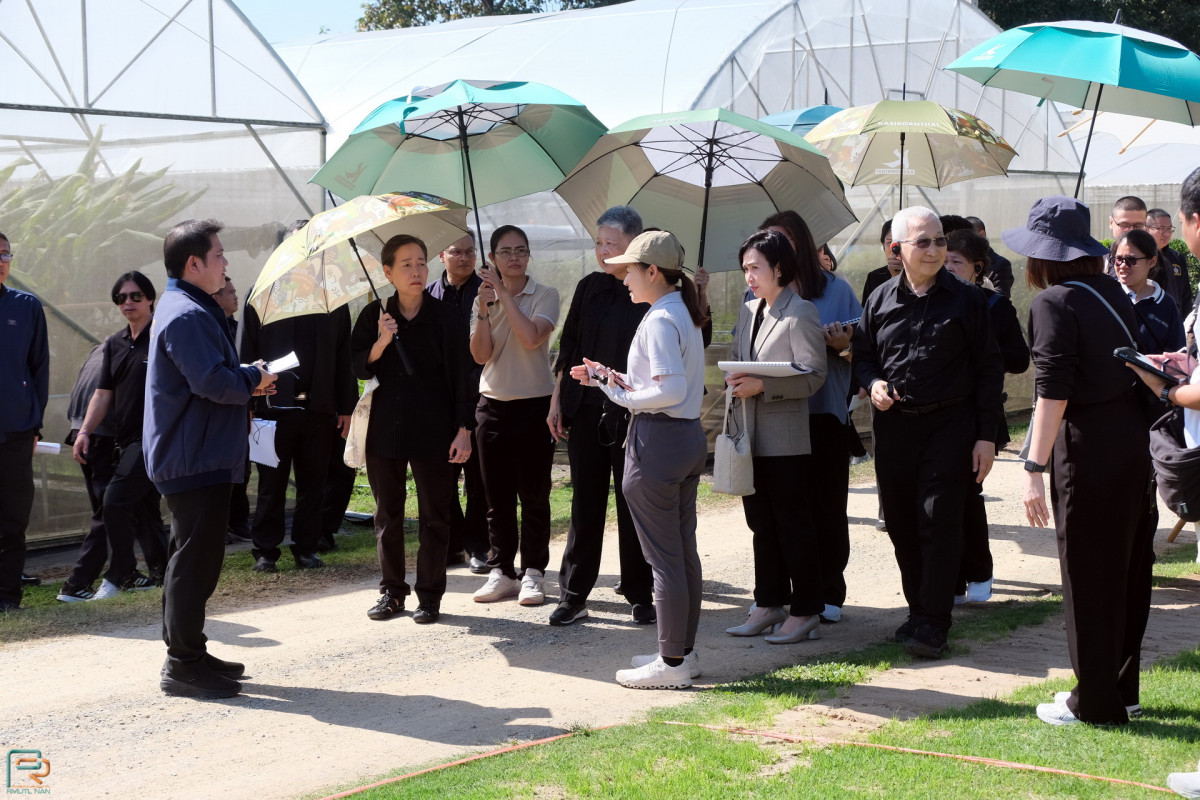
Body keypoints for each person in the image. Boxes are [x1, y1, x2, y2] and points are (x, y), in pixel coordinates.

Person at [1010, 196, 1157, 727]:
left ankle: (1094, 702)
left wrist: (1033, 468)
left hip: (1087, 451)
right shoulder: (1111, 291)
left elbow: (1052, 391)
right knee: (1128, 569)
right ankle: (1120, 690)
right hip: (1131, 444)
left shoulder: (1054, 302)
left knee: (1089, 575)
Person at [851, 206, 1004, 659]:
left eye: (940, 241)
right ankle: (918, 611)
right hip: (894, 427)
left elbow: (989, 370)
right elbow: (863, 355)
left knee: (939, 521)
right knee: (901, 522)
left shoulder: (969, 299)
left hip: (950, 426)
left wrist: (986, 436)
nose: (935, 250)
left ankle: (935, 622)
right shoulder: (879, 299)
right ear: (897, 248)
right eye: (924, 242)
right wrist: (874, 383)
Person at [570, 230, 707, 689]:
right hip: (684, 439)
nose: (623, 277)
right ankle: (682, 653)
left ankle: (671, 663)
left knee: (665, 560)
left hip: (659, 442)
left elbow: (669, 390)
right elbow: (663, 383)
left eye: (629, 269)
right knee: (681, 553)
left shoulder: (660, 319)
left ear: (652, 272)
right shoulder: (680, 310)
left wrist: (617, 393)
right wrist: (611, 378)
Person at [145, 219, 276, 699]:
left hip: (197, 452)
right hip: (194, 456)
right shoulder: (186, 313)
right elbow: (211, 382)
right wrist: (253, 379)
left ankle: (190, 653)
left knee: (192, 558)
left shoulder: (189, 306)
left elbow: (210, 374)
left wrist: (245, 375)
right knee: (194, 563)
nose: (225, 262)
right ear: (193, 263)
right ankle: (182, 665)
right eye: (218, 255)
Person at [351, 234, 474, 624]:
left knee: (435, 515)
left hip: (434, 428)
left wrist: (464, 428)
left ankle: (430, 595)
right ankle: (392, 591)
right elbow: (357, 366)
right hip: (385, 429)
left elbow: (463, 375)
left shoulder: (446, 317)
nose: (416, 270)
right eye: (406, 264)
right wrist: (383, 341)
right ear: (387, 272)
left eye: (421, 262)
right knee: (387, 514)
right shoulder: (374, 315)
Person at [547, 206, 655, 626]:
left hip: (633, 411)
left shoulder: (648, 289)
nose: (603, 250)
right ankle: (573, 595)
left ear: (634, 245)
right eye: (599, 242)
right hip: (587, 409)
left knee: (633, 503)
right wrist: (557, 401)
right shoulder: (589, 286)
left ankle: (640, 592)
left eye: (612, 243)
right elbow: (570, 347)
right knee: (585, 503)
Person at [723, 229, 827, 643]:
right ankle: (768, 604)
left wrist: (764, 386)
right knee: (760, 524)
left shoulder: (800, 312)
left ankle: (806, 610)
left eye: (755, 268)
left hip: (785, 439)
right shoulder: (749, 309)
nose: (749, 276)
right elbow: (737, 356)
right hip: (748, 434)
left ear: (779, 268)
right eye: (745, 268)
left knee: (792, 524)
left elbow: (814, 375)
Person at [760, 210, 861, 623]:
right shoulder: (759, 292)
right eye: (768, 240)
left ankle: (829, 590)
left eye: (784, 239)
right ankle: (784, 593)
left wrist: (842, 346)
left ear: (803, 242)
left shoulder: (836, 289)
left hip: (823, 411)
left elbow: (862, 352)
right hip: (774, 415)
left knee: (826, 505)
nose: (776, 247)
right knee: (781, 510)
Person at [240, 221, 357, 574]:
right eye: (298, 245)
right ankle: (265, 551)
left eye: (313, 246)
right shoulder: (262, 292)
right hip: (272, 407)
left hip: (319, 406)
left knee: (314, 483)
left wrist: (346, 407)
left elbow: (343, 357)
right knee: (270, 484)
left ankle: (306, 547)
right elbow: (246, 351)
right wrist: (247, 402)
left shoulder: (332, 297)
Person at [469, 225, 560, 605]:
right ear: (492, 258)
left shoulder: (546, 294)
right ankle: (502, 570)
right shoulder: (483, 299)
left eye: (520, 250)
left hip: (534, 405)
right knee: (496, 498)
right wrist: (484, 310)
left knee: (534, 496)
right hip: (491, 406)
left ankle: (534, 572)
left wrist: (504, 295)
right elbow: (480, 355)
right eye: (505, 252)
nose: (514, 257)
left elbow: (531, 337)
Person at [943, 231, 1030, 605]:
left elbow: (1020, 360)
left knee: (967, 493)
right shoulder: (931, 303)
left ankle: (978, 572)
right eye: (945, 260)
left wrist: (983, 351)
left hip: (980, 413)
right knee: (942, 499)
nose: (948, 267)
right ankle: (950, 579)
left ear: (977, 268)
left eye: (957, 262)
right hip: (938, 415)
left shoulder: (996, 306)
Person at [70, 272, 168, 599]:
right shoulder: (114, 343)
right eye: (121, 298)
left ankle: (119, 575)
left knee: (114, 501)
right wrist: (84, 431)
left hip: (154, 437)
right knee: (146, 509)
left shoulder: (164, 336)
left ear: (150, 299)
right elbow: (102, 393)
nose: (128, 302)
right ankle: (164, 574)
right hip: (124, 440)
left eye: (136, 296)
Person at [427, 233, 489, 573]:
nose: (464, 258)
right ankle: (451, 545)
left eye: (469, 252)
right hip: (439, 400)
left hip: (480, 394)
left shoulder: (487, 292)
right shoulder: (428, 295)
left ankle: (478, 545)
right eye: (456, 252)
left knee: (478, 478)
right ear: (441, 255)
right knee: (441, 476)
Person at [0, 232, 49, 613]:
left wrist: (34, 425)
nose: (1, 261)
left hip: (16, 430)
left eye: (5, 254)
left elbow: (39, 368)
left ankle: (7, 596)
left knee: (13, 517)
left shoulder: (26, 306)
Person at [57, 345, 115, 602]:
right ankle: (77, 583)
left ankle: (128, 571)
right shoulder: (128, 349)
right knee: (110, 511)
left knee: (111, 509)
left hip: (82, 431)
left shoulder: (99, 348)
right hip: (103, 433)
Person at [214, 276, 252, 545]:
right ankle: (222, 526)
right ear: (216, 298)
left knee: (243, 469)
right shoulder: (211, 329)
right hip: (219, 410)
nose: (236, 297)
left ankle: (239, 523)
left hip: (244, 404)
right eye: (230, 292)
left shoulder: (239, 329)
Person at [1111, 229, 1185, 354]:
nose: (1122, 266)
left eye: (1131, 260)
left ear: (1152, 262)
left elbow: (1177, 352)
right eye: (1118, 259)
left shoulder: (1167, 305)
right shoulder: (1106, 296)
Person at [1147, 207, 1194, 316]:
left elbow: (1186, 296)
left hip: (1175, 318)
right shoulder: (1140, 258)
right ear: (1147, 228)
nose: (1167, 233)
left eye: (1169, 228)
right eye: (1161, 228)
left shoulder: (1177, 258)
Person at [966, 216, 1014, 297]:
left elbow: (999, 299)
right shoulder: (955, 261)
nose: (963, 242)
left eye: (967, 237)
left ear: (982, 234)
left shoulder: (1001, 265)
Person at [860, 220, 902, 305]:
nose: (895, 249)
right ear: (883, 246)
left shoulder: (923, 276)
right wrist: (894, 278)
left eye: (900, 242)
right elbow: (869, 310)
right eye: (889, 242)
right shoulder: (874, 277)